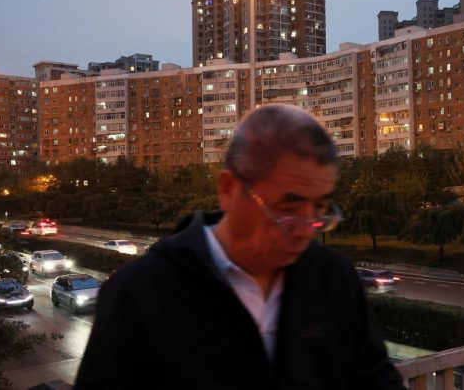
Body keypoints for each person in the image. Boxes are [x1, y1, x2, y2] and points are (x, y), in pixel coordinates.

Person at [75, 104, 404, 389]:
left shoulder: (333, 278)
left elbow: (375, 379)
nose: (306, 232)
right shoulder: (139, 294)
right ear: (229, 188)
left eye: (319, 209)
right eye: (287, 208)